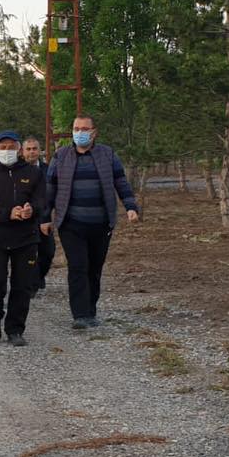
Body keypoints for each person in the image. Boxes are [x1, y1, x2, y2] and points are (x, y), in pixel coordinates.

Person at [44, 114, 141, 330]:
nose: (80, 133)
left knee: (94, 267)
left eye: (84, 129)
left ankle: (90, 310)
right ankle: (80, 315)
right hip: (71, 223)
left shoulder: (107, 155)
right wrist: (44, 218)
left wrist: (131, 207)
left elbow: (121, 182)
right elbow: (49, 189)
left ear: (94, 132)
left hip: (101, 222)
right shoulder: (61, 156)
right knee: (78, 266)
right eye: (76, 128)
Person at [0, 132, 46, 347]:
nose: (7, 151)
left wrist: (31, 209)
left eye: (11, 146)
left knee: (22, 284)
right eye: (2, 147)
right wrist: (6, 213)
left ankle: (15, 328)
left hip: (25, 237)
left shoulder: (33, 173)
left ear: (19, 148)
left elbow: (42, 199)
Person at [22, 136, 55, 292]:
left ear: (39, 150)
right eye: (28, 149)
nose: (32, 152)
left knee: (47, 252)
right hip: (23, 219)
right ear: (22, 152)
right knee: (26, 255)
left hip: (44, 218)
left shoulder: (49, 170)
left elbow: (54, 194)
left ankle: (39, 276)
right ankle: (30, 284)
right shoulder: (17, 170)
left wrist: (48, 217)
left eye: (34, 148)